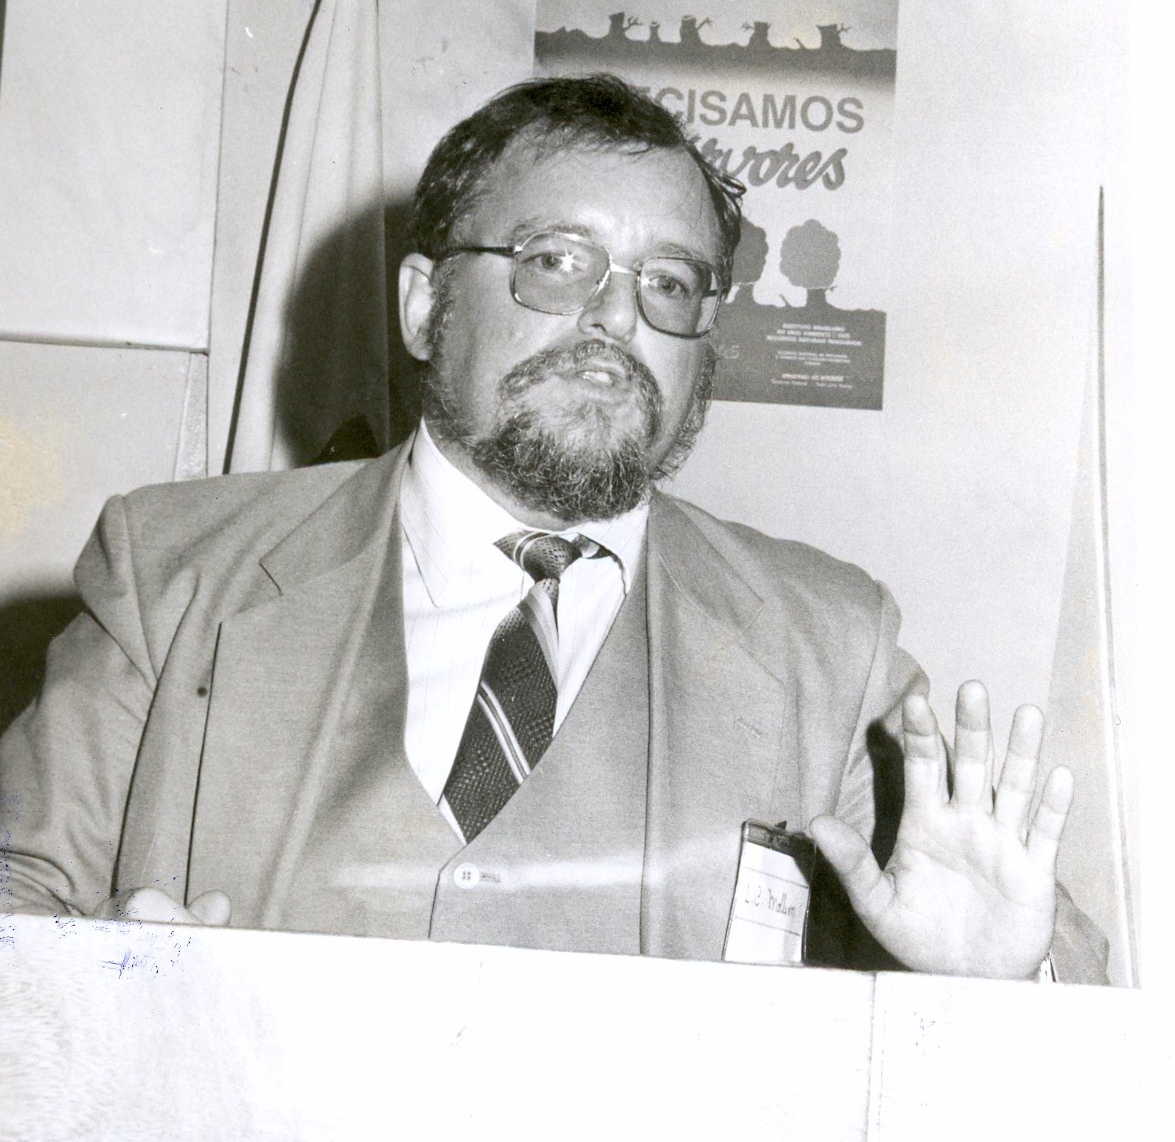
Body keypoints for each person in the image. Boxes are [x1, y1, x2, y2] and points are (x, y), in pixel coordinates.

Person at [0, 74, 1105, 980]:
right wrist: (107, 985)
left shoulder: (829, 648)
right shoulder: (174, 577)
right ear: (424, 306)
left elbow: (1052, 998)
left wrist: (993, 989)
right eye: (555, 262)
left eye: (670, 282)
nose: (617, 316)